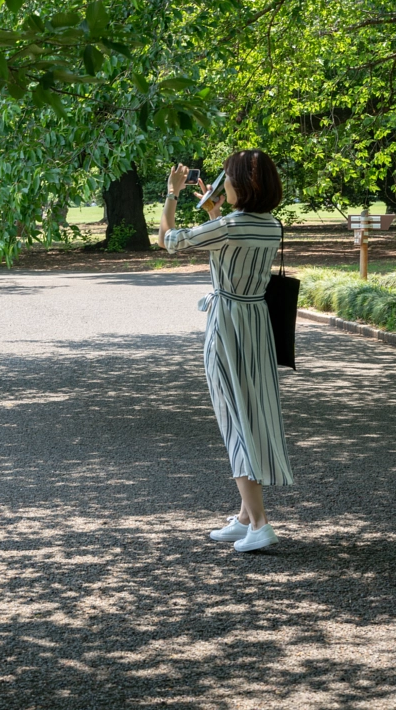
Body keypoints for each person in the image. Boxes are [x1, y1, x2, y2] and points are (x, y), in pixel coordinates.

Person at [158, 150, 293, 552]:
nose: (224, 184)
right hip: (256, 322)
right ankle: (244, 517)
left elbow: (169, 241)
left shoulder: (231, 226)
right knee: (251, 412)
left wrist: (172, 194)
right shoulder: (271, 226)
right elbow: (231, 246)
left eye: (228, 179)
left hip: (227, 324)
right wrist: (216, 214)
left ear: (243, 185)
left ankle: (261, 524)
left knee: (233, 418)